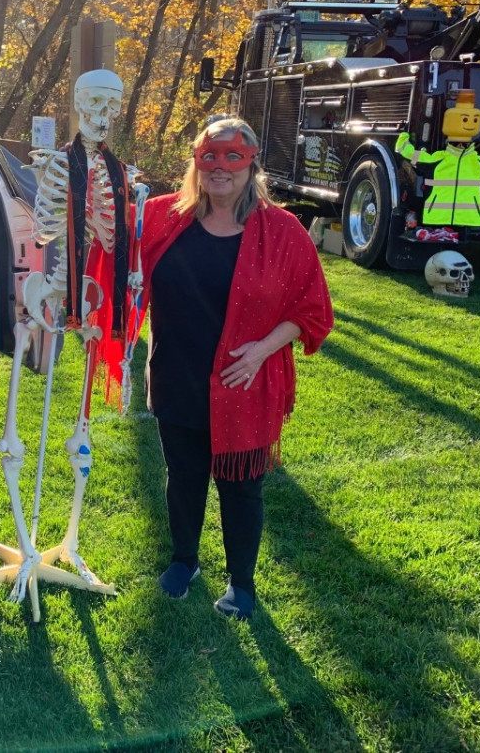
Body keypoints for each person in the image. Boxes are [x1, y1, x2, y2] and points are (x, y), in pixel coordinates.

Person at [138, 116, 332, 621]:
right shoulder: (162, 217)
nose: (220, 168)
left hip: (242, 383)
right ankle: (185, 562)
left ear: (251, 167)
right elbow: (112, 248)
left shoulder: (283, 231)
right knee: (183, 477)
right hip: (177, 374)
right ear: (196, 163)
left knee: (241, 486)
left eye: (233, 158)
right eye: (209, 157)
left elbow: (312, 310)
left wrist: (264, 348)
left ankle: (241, 583)